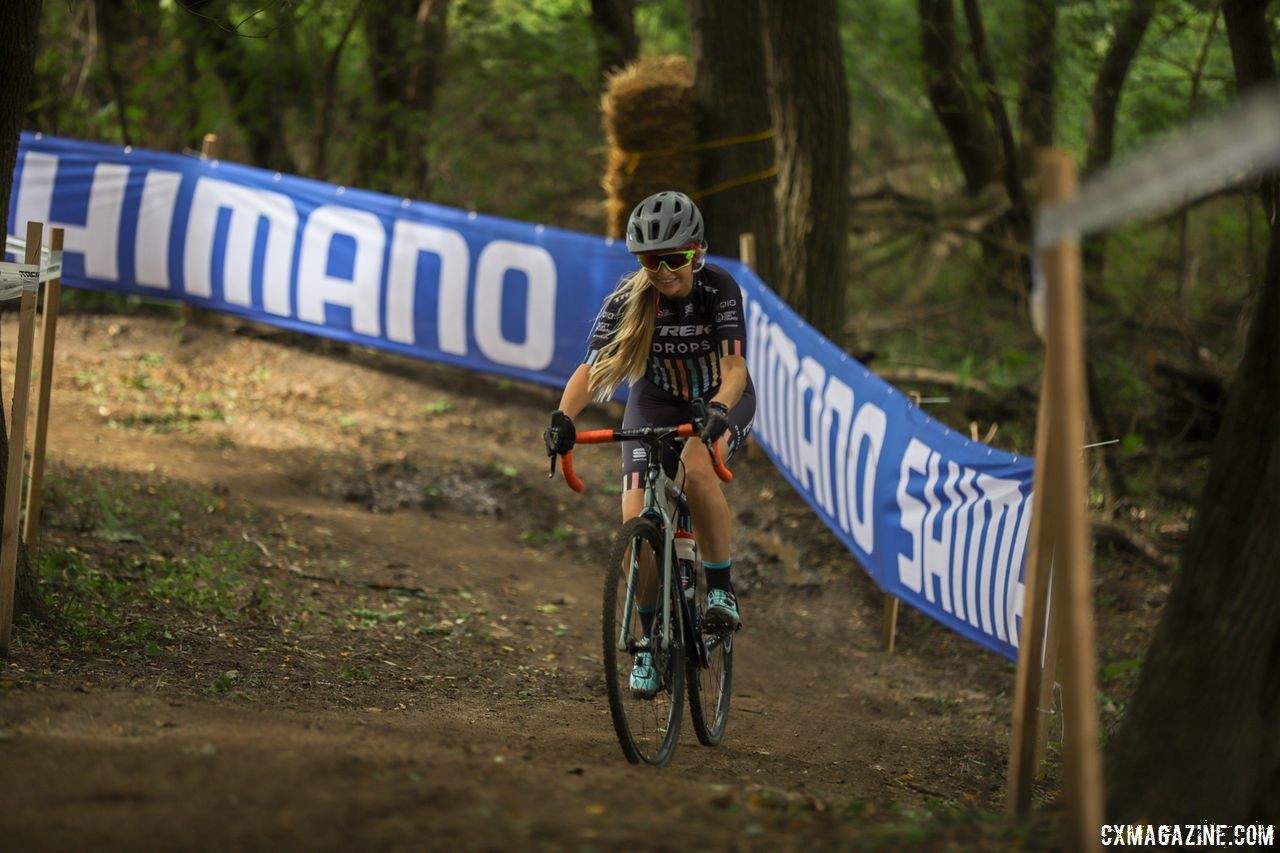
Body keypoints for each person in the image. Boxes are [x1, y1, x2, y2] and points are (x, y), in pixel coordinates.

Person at [543, 190, 756, 697]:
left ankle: (721, 591)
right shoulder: (630, 298)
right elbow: (590, 371)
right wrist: (561, 418)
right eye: (648, 260)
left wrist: (720, 412)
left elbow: (734, 369)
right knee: (634, 522)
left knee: (697, 471)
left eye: (673, 258)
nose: (661, 271)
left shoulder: (719, 288)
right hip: (656, 401)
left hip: (719, 397)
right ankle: (648, 645)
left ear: (697, 252)